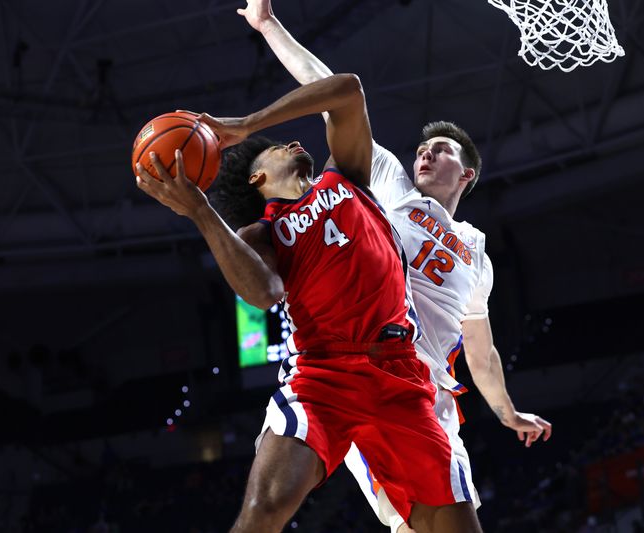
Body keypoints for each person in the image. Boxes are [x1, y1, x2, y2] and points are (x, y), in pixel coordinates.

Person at [236, 1, 553, 531]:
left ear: (467, 174)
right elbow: (327, 89)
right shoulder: (388, 185)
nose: (425, 154)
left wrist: (506, 412)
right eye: (422, 148)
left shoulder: (477, 252)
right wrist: (269, 24)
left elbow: (481, 350)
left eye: (441, 149)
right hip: (367, 370)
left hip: (431, 393)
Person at [135, 74, 482, 532]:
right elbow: (264, 293)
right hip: (324, 374)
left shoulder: (346, 175)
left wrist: (247, 123)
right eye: (277, 149)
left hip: (399, 372)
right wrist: (201, 211)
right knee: (265, 508)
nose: (293, 142)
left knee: (456, 524)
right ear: (258, 177)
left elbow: (348, 90)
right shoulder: (261, 234)